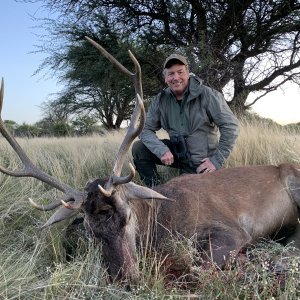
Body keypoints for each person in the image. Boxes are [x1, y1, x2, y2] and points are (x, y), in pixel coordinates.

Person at [132, 53, 239, 187]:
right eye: (171, 74)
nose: (176, 78)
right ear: (165, 78)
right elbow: (144, 129)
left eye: (180, 72)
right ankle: (156, 191)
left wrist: (216, 161)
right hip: (180, 157)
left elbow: (231, 127)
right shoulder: (160, 100)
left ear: (188, 73)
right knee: (139, 148)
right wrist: (162, 150)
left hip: (203, 164)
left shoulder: (208, 95)